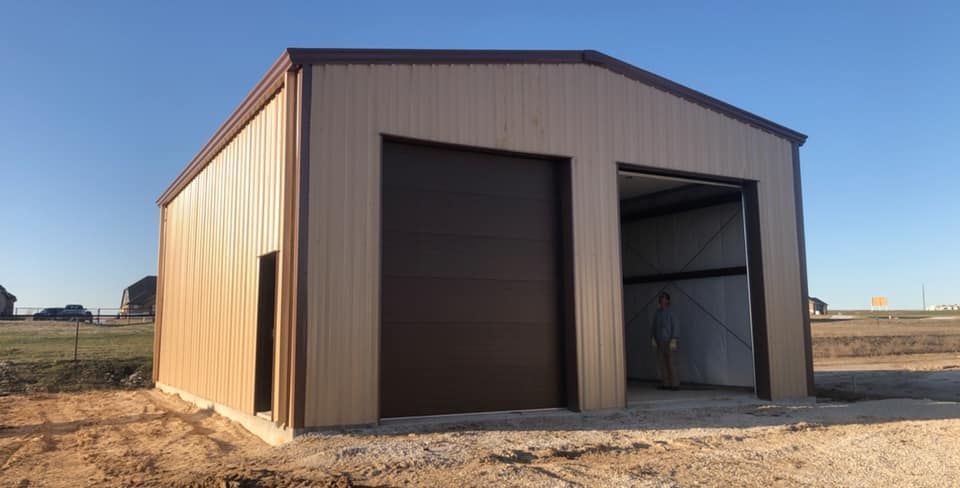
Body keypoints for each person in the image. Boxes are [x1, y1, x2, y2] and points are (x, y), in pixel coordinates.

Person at [650, 291, 679, 390]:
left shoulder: (671, 313)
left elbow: (675, 326)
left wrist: (674, 339)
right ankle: (665, 383)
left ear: (668, 300)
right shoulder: (657, 313)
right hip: (659, 341)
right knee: (661, 363)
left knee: (671, 362)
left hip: (669, 340)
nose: (662, 300)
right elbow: (654, 326)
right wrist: (653, 337)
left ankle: (675, 384)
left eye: (664, 298)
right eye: (660, 298)